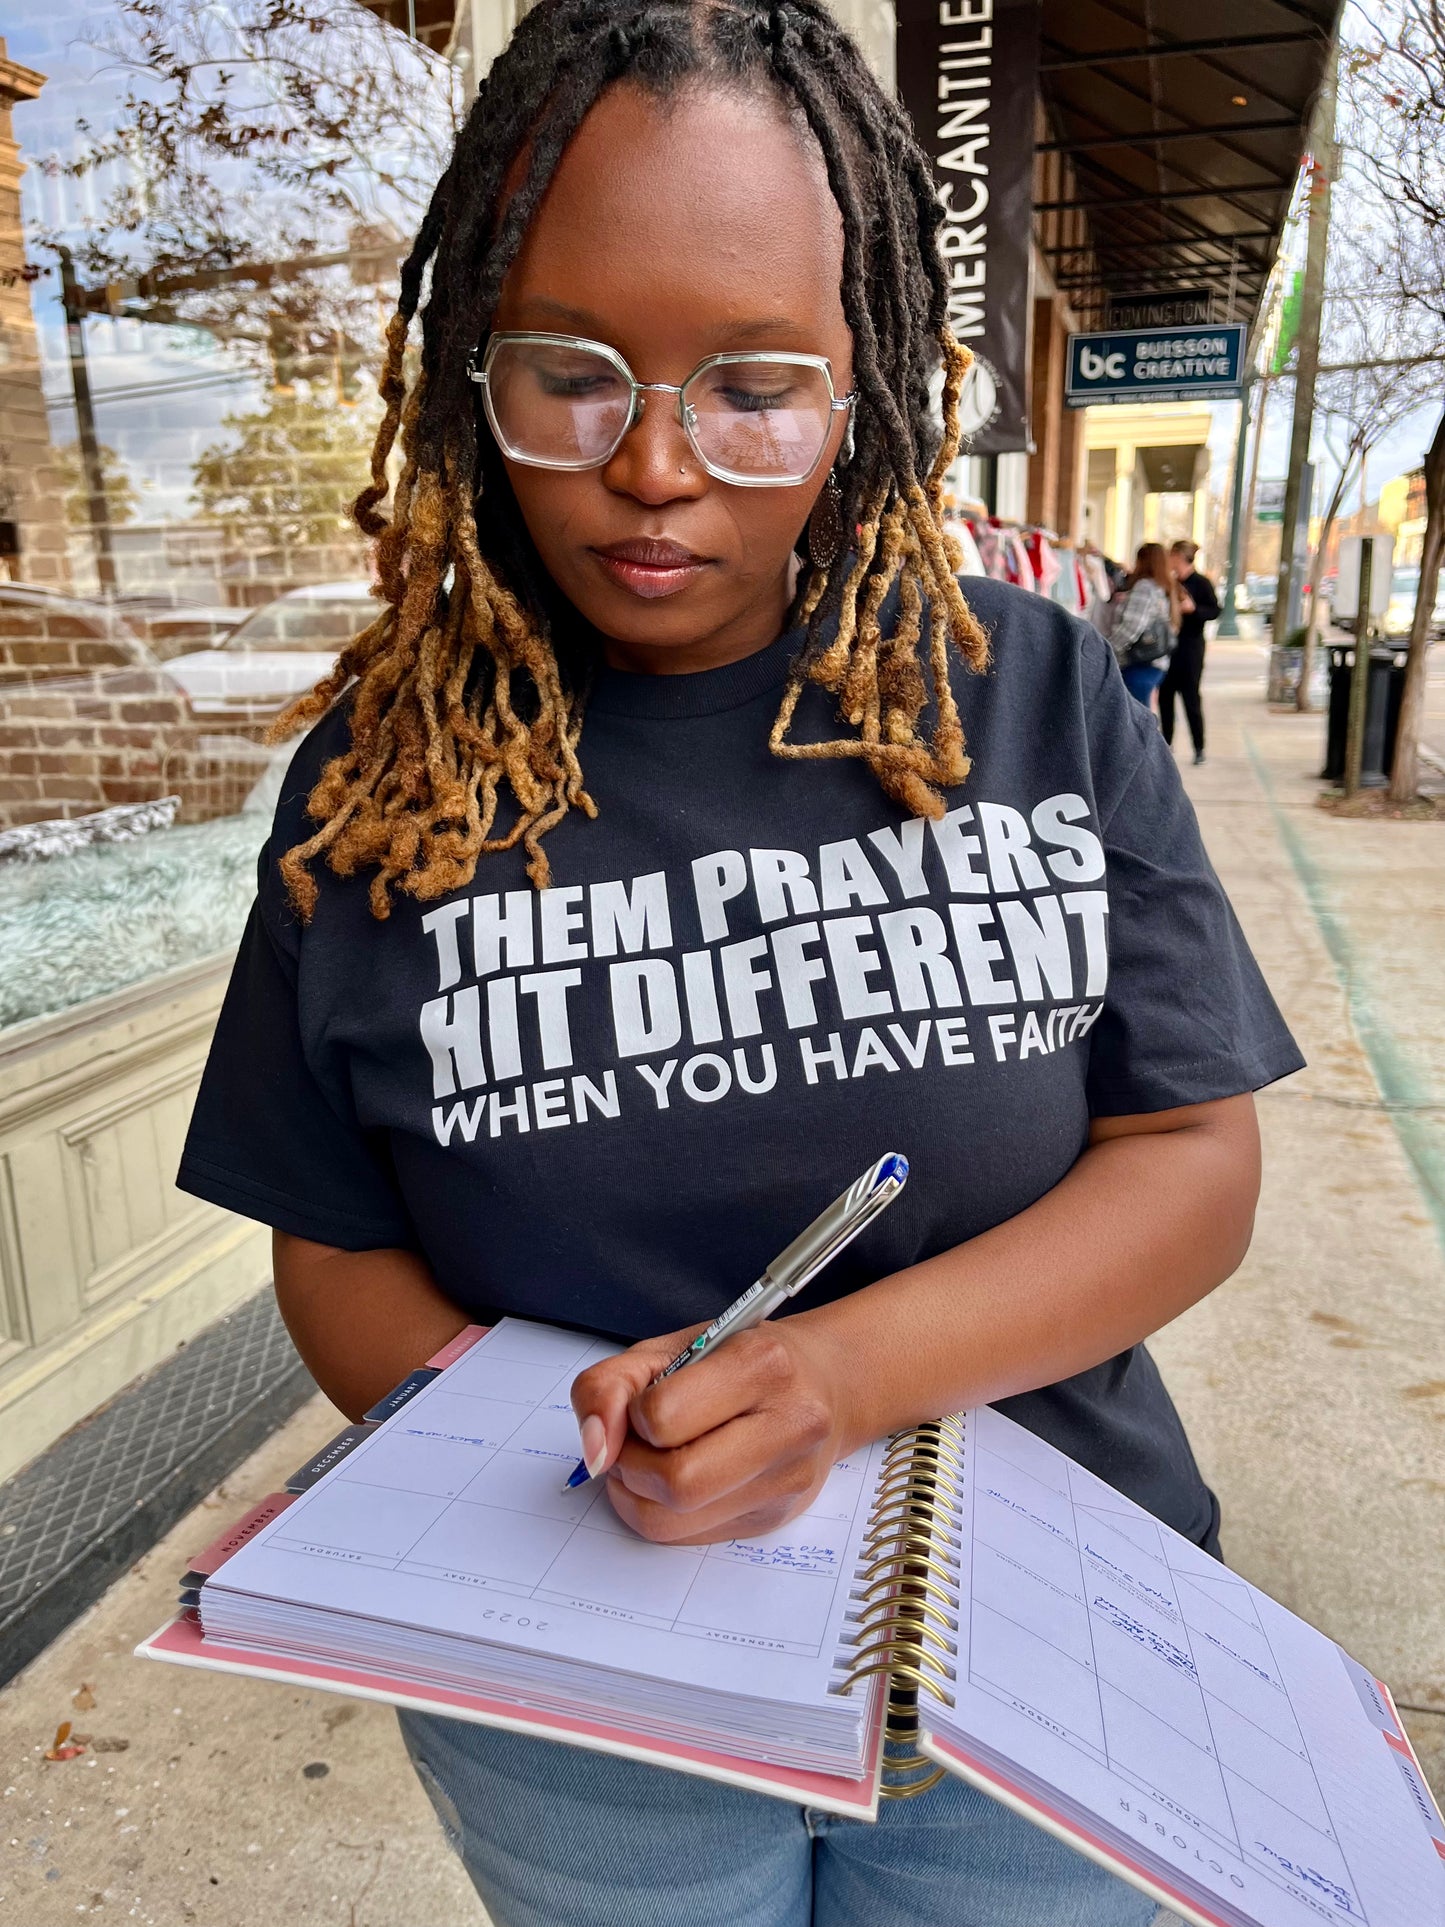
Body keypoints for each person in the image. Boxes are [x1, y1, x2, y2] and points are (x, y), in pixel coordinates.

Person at [175, 4, 1302, 1923]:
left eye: (754, 382)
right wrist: (550, 1443)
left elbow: (1194, 1161)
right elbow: (331, 1239)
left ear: (863, 385)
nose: (658, 469)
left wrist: (833, 1373)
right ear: (475, 378)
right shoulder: (383, 791)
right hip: (575, 1690)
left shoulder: (1026, 699)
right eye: (576, 376)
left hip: (1036, 1650)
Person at [1108, 541, 1192, 711]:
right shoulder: (1164, 587)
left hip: (1138, 664)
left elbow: (1132, 627)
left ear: (1143, 561)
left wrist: (1106, 648)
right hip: (1154, 663)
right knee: (1141, 719)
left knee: (1136, 724)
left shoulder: (1145, 587)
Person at [1161, 538, 1220, 764]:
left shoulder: (1201, 583)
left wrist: (1194, 610)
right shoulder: (1169, 582)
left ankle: (1199, 747)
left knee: (1191, 699)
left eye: (1172, 556)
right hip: (1169, 648)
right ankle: (1166, 744)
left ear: (1179, 557)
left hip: (1191, 648)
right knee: (1166, 698)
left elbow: (1215, 610)